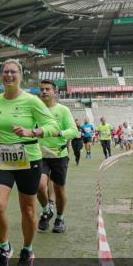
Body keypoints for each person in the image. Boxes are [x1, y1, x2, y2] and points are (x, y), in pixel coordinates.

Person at [0, 60, 59, 266]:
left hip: (28, 159)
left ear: (20, 76)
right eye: (5, 72)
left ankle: (27, 249)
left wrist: (32, 132)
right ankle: (4, 247)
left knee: (28, 208)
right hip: (2, 158)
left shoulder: (32, 101)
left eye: (13, 72)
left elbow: (53, 126)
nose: (9, 75)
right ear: (1, 75)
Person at [36, 79, 78, 234]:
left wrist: (60, 133)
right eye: (42, 89)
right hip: (40, 155)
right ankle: (46, 210)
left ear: (54, 92)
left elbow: (74, 131)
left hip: (59, 155)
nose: (44, 92)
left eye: (48, 89)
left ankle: (60, 218)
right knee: (40, 185)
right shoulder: (36, 110)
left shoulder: (63, 110)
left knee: (59, 189)